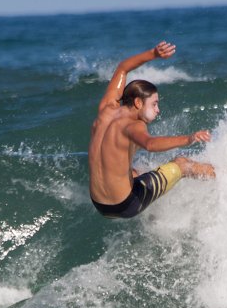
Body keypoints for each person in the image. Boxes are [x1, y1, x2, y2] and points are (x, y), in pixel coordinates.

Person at [88, 41, 215, 219]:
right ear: (138, 103)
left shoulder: (106, 108)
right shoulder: (133, 125)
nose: (158, 110)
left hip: (99, 204)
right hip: (125, 205)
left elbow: (123, 68)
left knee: (134, 171)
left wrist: (153, 53)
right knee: (181, 163)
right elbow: (150, 143)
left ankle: (134, 177)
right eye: (154, 104)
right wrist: (189, 138)